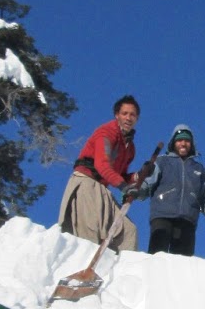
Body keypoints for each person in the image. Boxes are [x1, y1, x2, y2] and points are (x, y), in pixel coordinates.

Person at [58, 95, 143, 252]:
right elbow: (102, 165)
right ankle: (84, 264)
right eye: (124, 113)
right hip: (86, 183)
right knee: (90, 231)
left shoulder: (130, 148)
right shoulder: (107, 132)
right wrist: (124, 187)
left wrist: (138, 176)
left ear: (137, 118)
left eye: (132, 115)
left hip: (102, 189)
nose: (128, 118)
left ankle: (125, 266)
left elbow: (120, 174)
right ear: (117, 115)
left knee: (128, 231)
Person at [135, 124, 205, 255]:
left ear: (192, 144)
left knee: (183, 262)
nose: (183, 144)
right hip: (162, 215)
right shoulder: (162, 162)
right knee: (157, 257)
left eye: (187, 141)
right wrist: (135, 191)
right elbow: (147, 182)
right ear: (173, 142)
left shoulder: (199, 169)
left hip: (187, 220)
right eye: (180, 140)